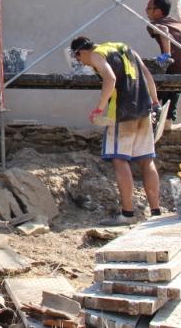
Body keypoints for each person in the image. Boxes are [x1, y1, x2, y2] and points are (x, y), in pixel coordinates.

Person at [70, 36, 162, 226]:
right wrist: (154, 102)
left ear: (82, 51)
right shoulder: (125, 48)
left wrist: (99, 108)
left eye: (79, 59)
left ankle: (128, 214)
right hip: (143, 109)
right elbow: (146, 75)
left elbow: (110, 78)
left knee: (120, 160)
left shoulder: (96, 54)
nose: (84, 64)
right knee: (146, 161)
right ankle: (156, 211)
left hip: (122, 112)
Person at [144, 0, 181, 122]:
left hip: (175, 71)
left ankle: (149, 131)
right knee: (169, 98)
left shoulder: (155, 24)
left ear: (158, 11)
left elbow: (163, 30)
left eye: (148, 8)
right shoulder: (178, 24)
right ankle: (166, 127)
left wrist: (167, 54)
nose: (146, 11)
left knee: (145, 97)